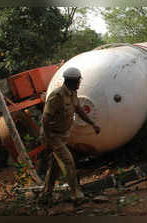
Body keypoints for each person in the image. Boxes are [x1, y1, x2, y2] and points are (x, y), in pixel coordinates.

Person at [39, 67, 101, 205]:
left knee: (55, 166)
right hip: (52, 135)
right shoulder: (57, 96)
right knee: (68, 162)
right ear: (71, 81)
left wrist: (93, 124)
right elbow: (45, 119)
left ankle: (45, 195)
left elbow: (79, 110)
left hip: (62, 135)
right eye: (78, 80)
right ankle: (76, 196)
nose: (80, 82)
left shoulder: (72, 94)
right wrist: (48, 141)